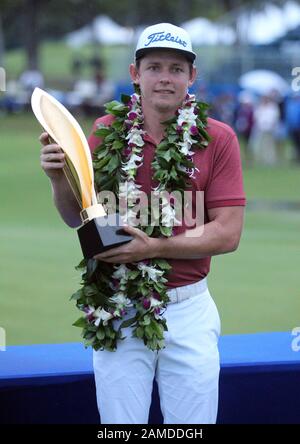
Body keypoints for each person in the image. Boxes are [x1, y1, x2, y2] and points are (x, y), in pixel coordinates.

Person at [39, 23, 246, 424]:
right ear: (136, 74)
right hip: (118, 306)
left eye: (175, 68)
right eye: (154, 67)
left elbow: (228, 232)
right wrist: (57, 178)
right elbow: (75, 218)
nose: (165, 78)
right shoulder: (104, 133)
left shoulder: (218, 138)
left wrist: (154, 248)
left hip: (189, 309)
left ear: (191, 77)